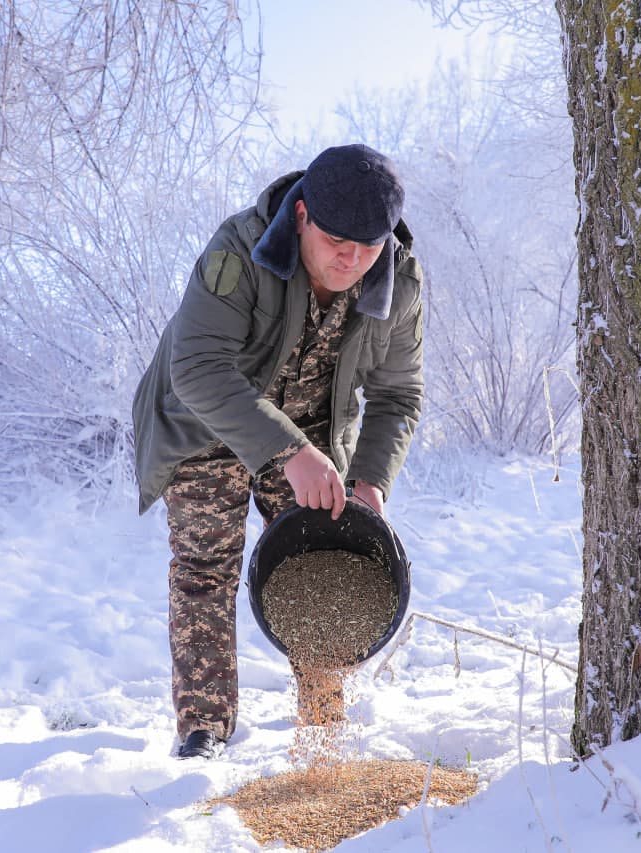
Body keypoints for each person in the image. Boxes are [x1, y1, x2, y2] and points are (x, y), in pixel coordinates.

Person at [132, 143, 425, 759]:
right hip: (207, 419)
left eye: (368, 247)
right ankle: (203, 728)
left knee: (325, 552)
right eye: (336, 241)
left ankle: (323, 723)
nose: (351, 260)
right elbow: (197, 368)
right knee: (205, 565)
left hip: (312, 427)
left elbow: (398, 394)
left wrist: (370, 480)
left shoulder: (400, 284)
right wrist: (289, 453)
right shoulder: (239, 251)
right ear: (301, 216)